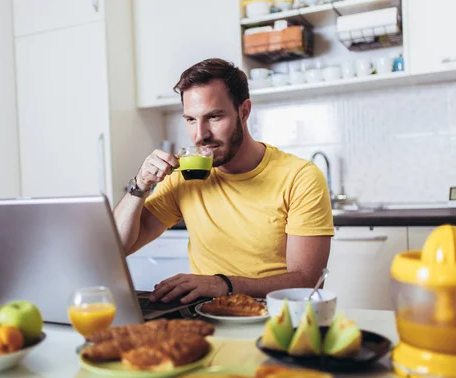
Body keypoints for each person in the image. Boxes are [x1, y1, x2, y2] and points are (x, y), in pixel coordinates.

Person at [113, 58, 334, 305]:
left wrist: (223, 284)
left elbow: (307, 281)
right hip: (205, 314)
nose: (200, 135)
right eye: (190, 120)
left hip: (274, 316)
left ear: (244, 111)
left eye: (214, 117)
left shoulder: (300, 177)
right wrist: (140, 185)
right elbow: (116, 248)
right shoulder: (185, 177)